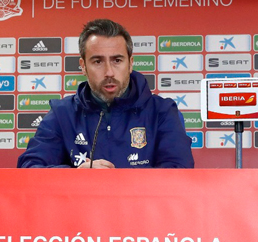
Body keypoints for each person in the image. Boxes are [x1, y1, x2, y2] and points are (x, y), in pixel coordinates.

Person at [17, 18, 194, 168]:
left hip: (141, 201)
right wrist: (76, 176)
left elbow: (179, 173)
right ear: (83, 66)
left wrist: (119, 184)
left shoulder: (162, 111)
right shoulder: (62, 113)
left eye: (117, 60)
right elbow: (30, 168)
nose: (109, 72)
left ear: (130, 63)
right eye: (98, 61)